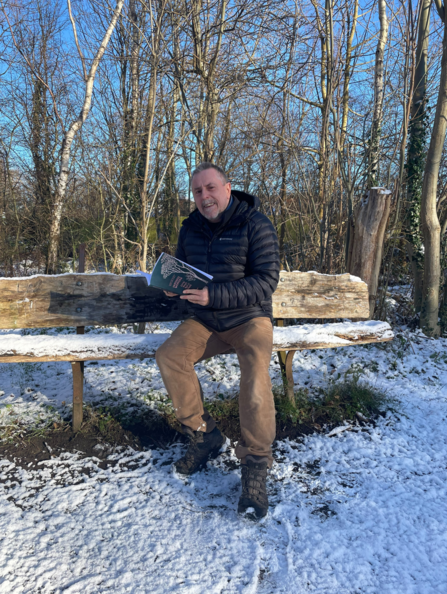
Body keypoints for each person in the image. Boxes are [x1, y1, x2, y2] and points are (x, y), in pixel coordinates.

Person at [155, 162, 280, 518]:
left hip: (248, 319)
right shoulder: (190, 228)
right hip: (206, 322)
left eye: (210, 188)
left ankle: (256, 463)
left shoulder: (255, 224)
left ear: (227, 188)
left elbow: (266, 281)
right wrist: (170, 288)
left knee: (255, 372)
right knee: (169, 356)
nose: (204, 197)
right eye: (197, 191)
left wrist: (214, 295)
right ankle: (204, 433)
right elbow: (183, 272)